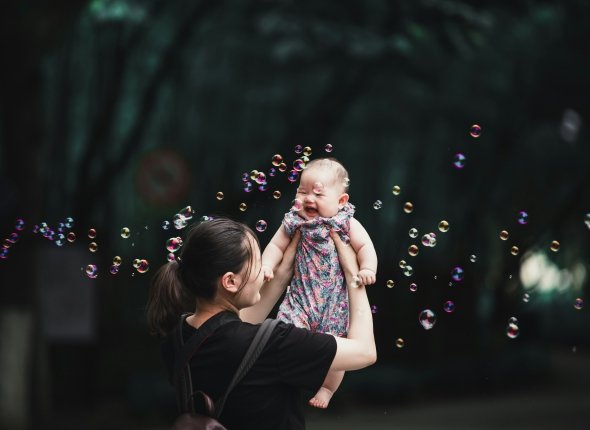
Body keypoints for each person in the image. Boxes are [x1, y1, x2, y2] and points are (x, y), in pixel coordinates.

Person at [147, 216, 376, 430]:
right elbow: (365, 352)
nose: (264, 272)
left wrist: (284, 271)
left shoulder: (176, 339)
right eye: (258, 263)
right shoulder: (275, 344)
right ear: (230, 281)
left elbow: (232, 334)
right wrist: (352, 275)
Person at [261, 157, 378, 408]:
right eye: (302, 192)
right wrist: (267, 265)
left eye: (318, 194)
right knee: (287, 333)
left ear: (341, 201)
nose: (308, 199)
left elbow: (364, 246)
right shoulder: (295, 220)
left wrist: (368, 268)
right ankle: (288, 375)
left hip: (334, 304)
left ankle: (327, 388)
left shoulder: (345, 222)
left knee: (338, 346)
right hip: (301, 298)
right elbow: (276, 245)